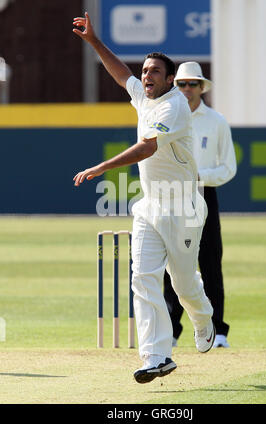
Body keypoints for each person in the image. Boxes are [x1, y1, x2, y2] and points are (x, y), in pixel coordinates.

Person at [72, 13, 214, 384]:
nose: (146, 76)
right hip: (150, 206)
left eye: (155, 72)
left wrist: (103, 166)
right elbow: (122, 76)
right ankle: (156, 356)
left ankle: (203, 319)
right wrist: (94, 41)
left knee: (183, 285)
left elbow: (148, 147)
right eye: (146, 71)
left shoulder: (174, 107)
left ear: (171, 81)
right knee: (142, 278)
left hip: (182, 208)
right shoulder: (145, 97)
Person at [164, 62, 237, 349]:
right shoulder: (168, 116)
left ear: (202, 87)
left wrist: (199, 177)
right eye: (181, 84)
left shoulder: (216, 121)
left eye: (192, 84)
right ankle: (170, 330)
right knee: (174, 262)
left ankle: (218, 331)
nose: (186, 89)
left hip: (204, 194)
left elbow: (228, 167)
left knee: (209, 262)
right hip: (174, 195)